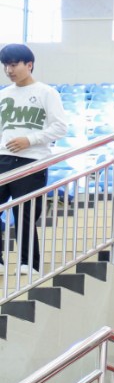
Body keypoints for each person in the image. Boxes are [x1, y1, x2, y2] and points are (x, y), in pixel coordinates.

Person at [0, 43, 67, 273]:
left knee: (25, 214)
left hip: (32, 160)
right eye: (5, 65)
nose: (9, 70)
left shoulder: (46, 93)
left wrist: (30, 140)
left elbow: (60, 127)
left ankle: (29, 263)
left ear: (29, 65)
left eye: (14, 64)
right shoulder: (3, 95)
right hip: (3, 158)